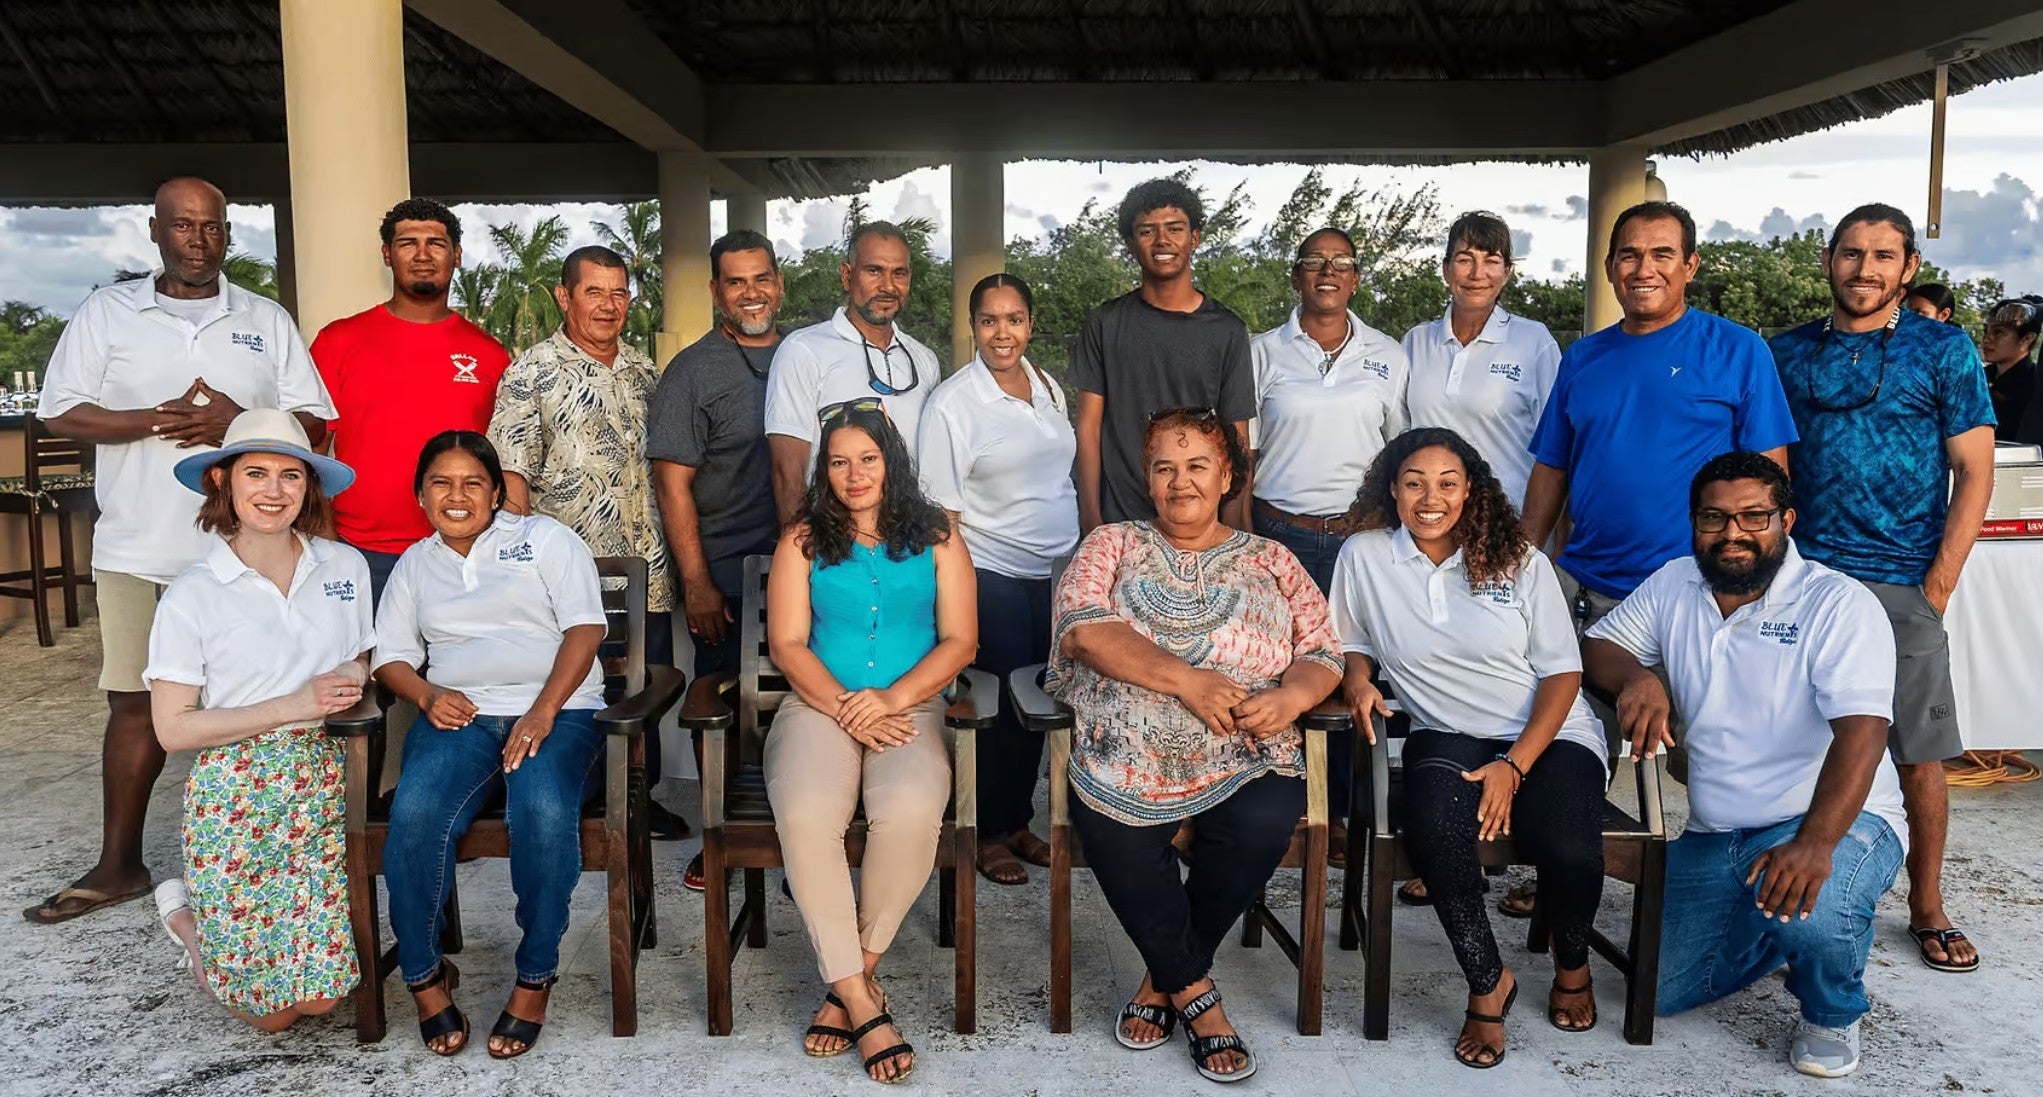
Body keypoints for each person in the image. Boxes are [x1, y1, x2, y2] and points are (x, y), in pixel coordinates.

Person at [28, 177, 335, 926]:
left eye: (212, 228)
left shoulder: (264, 318)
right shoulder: (109, 310)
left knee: (259, 702)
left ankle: (270, 853)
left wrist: (241, 420)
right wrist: (148, 419)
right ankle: (119, 863)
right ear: (156, 232)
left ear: (228, 234)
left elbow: (318, 424)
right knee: (134, 704)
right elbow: (57, 410)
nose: (198, 240)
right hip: (138, 546)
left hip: (246, 552)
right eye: (183, 226)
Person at [1510, 199, 1797, 918]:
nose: (1643, 269)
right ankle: (1562, 876)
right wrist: (1521, 561)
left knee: (1720, 759)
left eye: (1661, 254)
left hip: (1704, 597)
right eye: (1629, 255)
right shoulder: (1584, 358)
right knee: (1571, 749)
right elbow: (1551, 466)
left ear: (1689, 265)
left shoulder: (1737, 351)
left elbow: (1766, 478)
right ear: (1609, 267)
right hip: (1595, 590)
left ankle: (1729, 898)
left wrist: (1761, 584)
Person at [1584, 452, 1907, 1080]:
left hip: (1831, 820)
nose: (1733, 533)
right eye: (1714, 518)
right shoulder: (1676, 581)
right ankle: (1774, 924)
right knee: (1659, 990)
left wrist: (1815, 844)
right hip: (1717, 830)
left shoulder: (1838, 604)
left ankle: (1831, 1009)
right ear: (1694, 523)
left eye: (1753, 517)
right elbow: (1601, 645)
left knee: (1819, 904)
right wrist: (1640, 678)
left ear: (1786, 520)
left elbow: (1863, 735)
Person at [1047, 407, 1341, 1085]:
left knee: (1262, 822)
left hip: (1243, 750)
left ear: (1227, 476)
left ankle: (1162, 979)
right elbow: (1083, 629)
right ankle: (1198, 999)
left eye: (1197, 465)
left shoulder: (1272, 557)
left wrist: (1291, 697)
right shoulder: (1110, 543)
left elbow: (1321, 650)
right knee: (1116, 831)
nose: (1180, 481)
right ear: (1146, 478)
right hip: (1122, 744)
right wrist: (1186, 680)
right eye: (1163, 466)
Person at [1330, 428, 1609, 1068]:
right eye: (1414, 482)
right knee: (1434, 833)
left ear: (1471, 491)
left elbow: (1563, 674)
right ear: (1391, 490)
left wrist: (1515, 764)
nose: (1431, 498)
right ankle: (1488, 984)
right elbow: (1350, 639)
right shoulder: (1365, 557)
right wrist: (1356, 676)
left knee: (1565, 840)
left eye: (1447, 483)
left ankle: (1572, 965)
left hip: (1548, 729)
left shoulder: (1518, 559)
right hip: (1445, 731)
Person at [1769, 204, 1995, 975]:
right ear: (1827, 259)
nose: (1864, 269)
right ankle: (1781, 889)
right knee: (1793, 741)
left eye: (1882, 257)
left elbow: (1974, 470)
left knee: (1917, 752)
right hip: (1801, 580)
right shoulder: (1787, 352)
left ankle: (1926, 903)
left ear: (1905, 268)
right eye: (1850, 254)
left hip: (1901, 581)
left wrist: (1937, 583)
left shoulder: (1944, 348)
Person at [374, 431, 610, 1059]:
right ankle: (424, 977)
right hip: (461, 717)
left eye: (473, 482)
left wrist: (542, 710)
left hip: (559, 713)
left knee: (540, 806)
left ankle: (535, 974)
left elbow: (586, 627)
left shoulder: (547, 540)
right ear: (420, 495)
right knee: (417, 811)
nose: (457, 496)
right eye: (441, 484)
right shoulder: (415, 564)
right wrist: (425, 696)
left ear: (498, 491)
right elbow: (391, 657)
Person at [765, 399, 975, 1085]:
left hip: (909, 707)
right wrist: (847, 708)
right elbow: (787, 643)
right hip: (816, 706)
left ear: (891, 462)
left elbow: (960, 639)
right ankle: (860, 999)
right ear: (822, 471)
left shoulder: (939, 533)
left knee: (912, 806)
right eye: (838, 461)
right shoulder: (800, 540)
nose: (854, 474)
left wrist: (890, 698)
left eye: (867, 458)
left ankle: (852, 976)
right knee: (805, 813)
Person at [142, 409, 369, 1031]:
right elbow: (173, 729)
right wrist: (295, 705)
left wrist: (354, 670)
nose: (274, 491)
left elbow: (364, 652)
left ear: (309, 487)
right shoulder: (194, 591)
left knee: (321, 1000)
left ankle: (205, 928)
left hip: (326, 778)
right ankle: (186, 925)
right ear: (223, 482)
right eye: (257, 474)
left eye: (290, 476)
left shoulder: (343, 568)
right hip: (235, 789)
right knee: (270, 1018)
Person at [486, 244, 686, 839]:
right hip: (568, 579)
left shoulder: (647, 372)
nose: (608, 304)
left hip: (645, 566)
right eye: (593, 291)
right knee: (578, 691)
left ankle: (636, 801)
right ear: (564, 296)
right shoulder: (531, 372)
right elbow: (512, 476)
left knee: (644, 687)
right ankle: (576, 801)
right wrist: (519, 568)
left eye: (619, 292)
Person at [918, 272, 1078, 886]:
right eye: (989, 321)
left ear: (1030, 324)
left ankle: (1016, 821)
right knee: (996, 707)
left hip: (1054, 572)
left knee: (1041, 697)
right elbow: (942, 515)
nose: (1002, 333)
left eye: (1014, 319)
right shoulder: (955, 404)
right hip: (992, 571)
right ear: (973, 327)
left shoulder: (1046, 385)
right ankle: (982, 833)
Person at [648, 229, 788, 890]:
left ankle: (795, 832)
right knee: (721, 710)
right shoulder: (692, 371)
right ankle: (720, 834)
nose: (751, 292)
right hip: (727, 572)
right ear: (715, 291)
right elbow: (672, 484)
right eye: (736, 281)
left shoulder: (807, 354)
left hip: (805, 569)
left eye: (761, 277)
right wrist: (697, 584)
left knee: (799, 707)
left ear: (779, 283)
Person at [310, 198, 510, 601]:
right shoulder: (338, 341)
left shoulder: (489, 354)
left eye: (436, 244)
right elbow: (315, 448)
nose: (422, 255)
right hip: (358, 550)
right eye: (407, 243)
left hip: (460, 547)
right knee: (360, 665)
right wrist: (326, 539)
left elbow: (501, 459)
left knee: (453, 665)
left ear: (456, 255)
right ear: (387, 254)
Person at [1071, 178, 1255, 535]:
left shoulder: (1227, 330)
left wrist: (1233, 531)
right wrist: (1090, 518)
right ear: (1130, 244)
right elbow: (1089, 429)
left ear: (1195, 238)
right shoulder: (1105, 324)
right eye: (1147, 231)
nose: (1162, 241)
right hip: (1120, 521)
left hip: (1199, 523)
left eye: (1175, 229)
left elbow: (1237, 440)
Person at [1249, 227, 1408, 590]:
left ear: (1355, 279)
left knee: (1353, 644)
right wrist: (1244, 536)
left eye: (1341, 263)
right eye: (1314, 262)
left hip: (1361, 535)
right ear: (1295, 276)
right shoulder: (1262, 352)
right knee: (1278, 644)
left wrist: (1383, 521)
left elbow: (1399, 451)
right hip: (1277, 534)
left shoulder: (1389, 354)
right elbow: (1246, 454)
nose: (1328, 271)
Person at [765, 222, 943, 527]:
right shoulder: (803, 350)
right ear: (847, 275)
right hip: (833, 543)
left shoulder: (924, 361)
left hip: (908, 542)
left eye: (898, 273)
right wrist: (799, 558)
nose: (887, 286)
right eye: (874, 271)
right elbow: (787, 472)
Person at [1402, 211, 1564, 508]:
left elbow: (1557, 449)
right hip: (1432, 521)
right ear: (1446, 269)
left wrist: (1533, 539)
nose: (1477, 274)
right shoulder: (1415, 341)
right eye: (1465, 260)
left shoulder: (1534, 341)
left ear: (1507, 272)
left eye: (1491, 260)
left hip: (1507, 526)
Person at [1980, 296, 2040, 442]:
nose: (1987, 338)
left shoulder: (2035, 384)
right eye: (1986, 331)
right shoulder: (1979, 377)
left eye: (1998, 332)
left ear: (2027, 339)